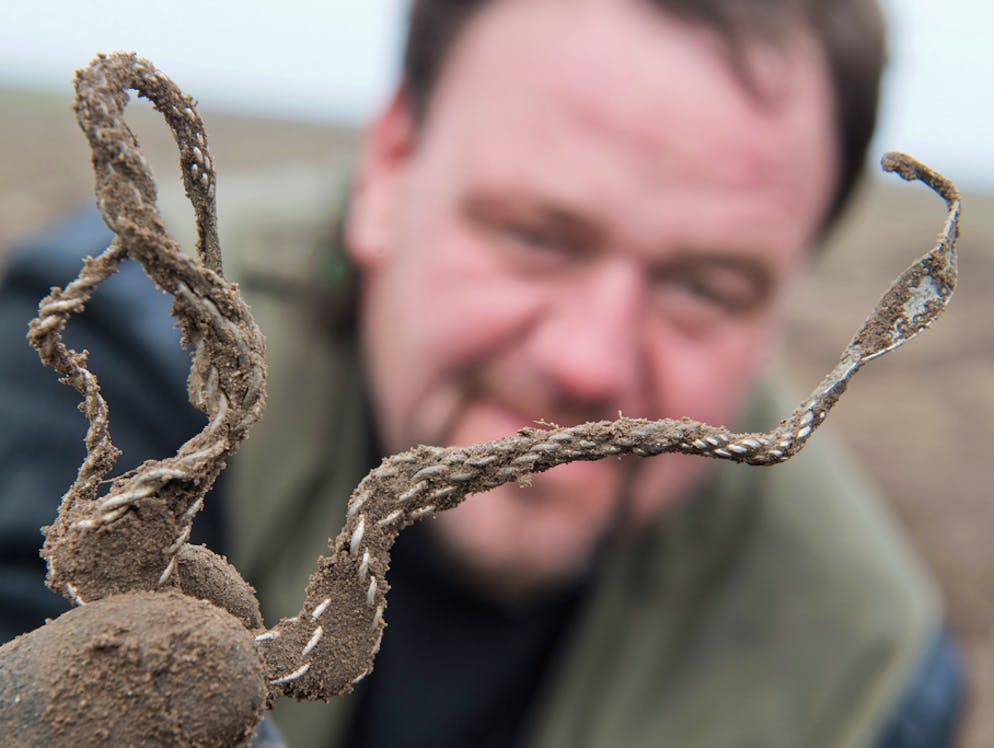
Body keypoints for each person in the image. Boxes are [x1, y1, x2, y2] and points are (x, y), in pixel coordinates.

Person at [0, 0, 965, 746]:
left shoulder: (863, 673)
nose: (588, 358)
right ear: (391, 166)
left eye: (706, 288)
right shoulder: (120, 346)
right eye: (538, 236)